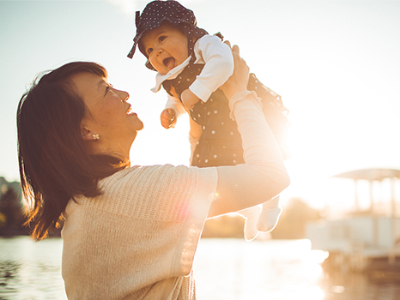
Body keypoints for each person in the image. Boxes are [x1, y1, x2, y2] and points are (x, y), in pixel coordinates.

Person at [17, 43, 289, 299]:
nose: (123, 94)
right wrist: (240, 94)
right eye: (106, 91)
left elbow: (194, 191)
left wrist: (196, 132)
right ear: (86, 131)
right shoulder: (132, 192)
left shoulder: (93, 202)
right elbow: (270, 176)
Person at [127, 0, 290, 240]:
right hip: (215, 128)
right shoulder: (172, 75)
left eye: (162, 38)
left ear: (185, 31)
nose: (157, 51)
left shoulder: (204, 44)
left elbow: (224, 63)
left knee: (262, 154)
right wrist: (172, 111)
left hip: (241, 108)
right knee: (212, 180)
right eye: (149, 50)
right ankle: (250, 211)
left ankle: (271, 205)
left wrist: (196, 91)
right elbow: (179, 98)